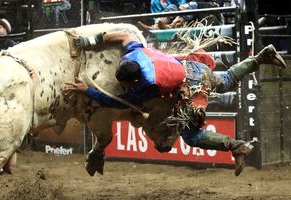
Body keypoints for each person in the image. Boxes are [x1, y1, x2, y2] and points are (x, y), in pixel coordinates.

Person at [62, 31, 286, 176]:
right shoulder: (134, 52)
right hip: (192, 66)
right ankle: (261, 57)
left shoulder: (148, 85)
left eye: (128, 84)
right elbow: (123, 35)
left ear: (135, 80)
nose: (127, 88)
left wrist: (87, 90)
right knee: (225, 80)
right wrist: (89, 42)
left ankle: (236, 146)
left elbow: (119, 102)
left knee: (191, 136)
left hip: (190, 83)